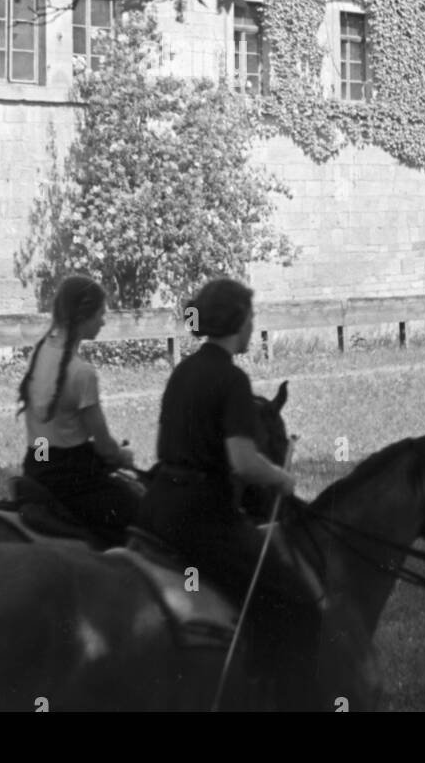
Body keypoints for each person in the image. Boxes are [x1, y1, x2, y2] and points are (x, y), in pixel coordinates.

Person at [133, 276, 325, 711]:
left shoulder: (183, 371)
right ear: (237, 321)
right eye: (251, 317)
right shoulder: (232, 380)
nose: (253, 325)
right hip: (202, 518)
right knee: (298, 604)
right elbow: (241, 461)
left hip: (155, 507)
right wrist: (281, 478)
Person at [17, 274, 143, 546]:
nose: (103, 320)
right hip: (73, 481)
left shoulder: (38, 353)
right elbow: (105, 447)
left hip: (36, 468)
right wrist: (122, 455)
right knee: (143, 518)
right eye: (100, 313)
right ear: (84, 316)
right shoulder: (82, 373)